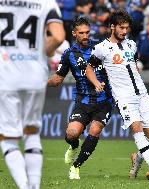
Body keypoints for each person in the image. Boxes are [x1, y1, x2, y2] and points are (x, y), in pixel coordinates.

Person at [86, 10, 149, 181]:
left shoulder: (131, 44)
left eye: (127, 28)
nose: (124, 31)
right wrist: (96, 83)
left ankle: (137, 157)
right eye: (121, 28)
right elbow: (89, 69)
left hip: (141, 93)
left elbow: (134, 64)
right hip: (123, 96)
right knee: (136, 128)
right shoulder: (101, 48)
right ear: (112, 27)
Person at [0, 1, 65, 189]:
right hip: (35, 75)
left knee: (8, 138)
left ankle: (24, 186)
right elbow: (59, 36)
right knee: (31, 132)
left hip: (6, 75)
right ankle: (34, 186)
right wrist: (45, 52)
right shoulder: (46, 2)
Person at [47, 16, 113, 180]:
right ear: (74, 34)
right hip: (82, 102)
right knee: (72, 133)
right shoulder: (69, 54)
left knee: (95, 130)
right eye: (81, 33)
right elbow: (58, 79)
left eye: (87, 32)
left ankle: (76, 166)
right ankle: (73, 146)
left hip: (104, 101)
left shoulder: (100, 47)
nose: (85, 36)